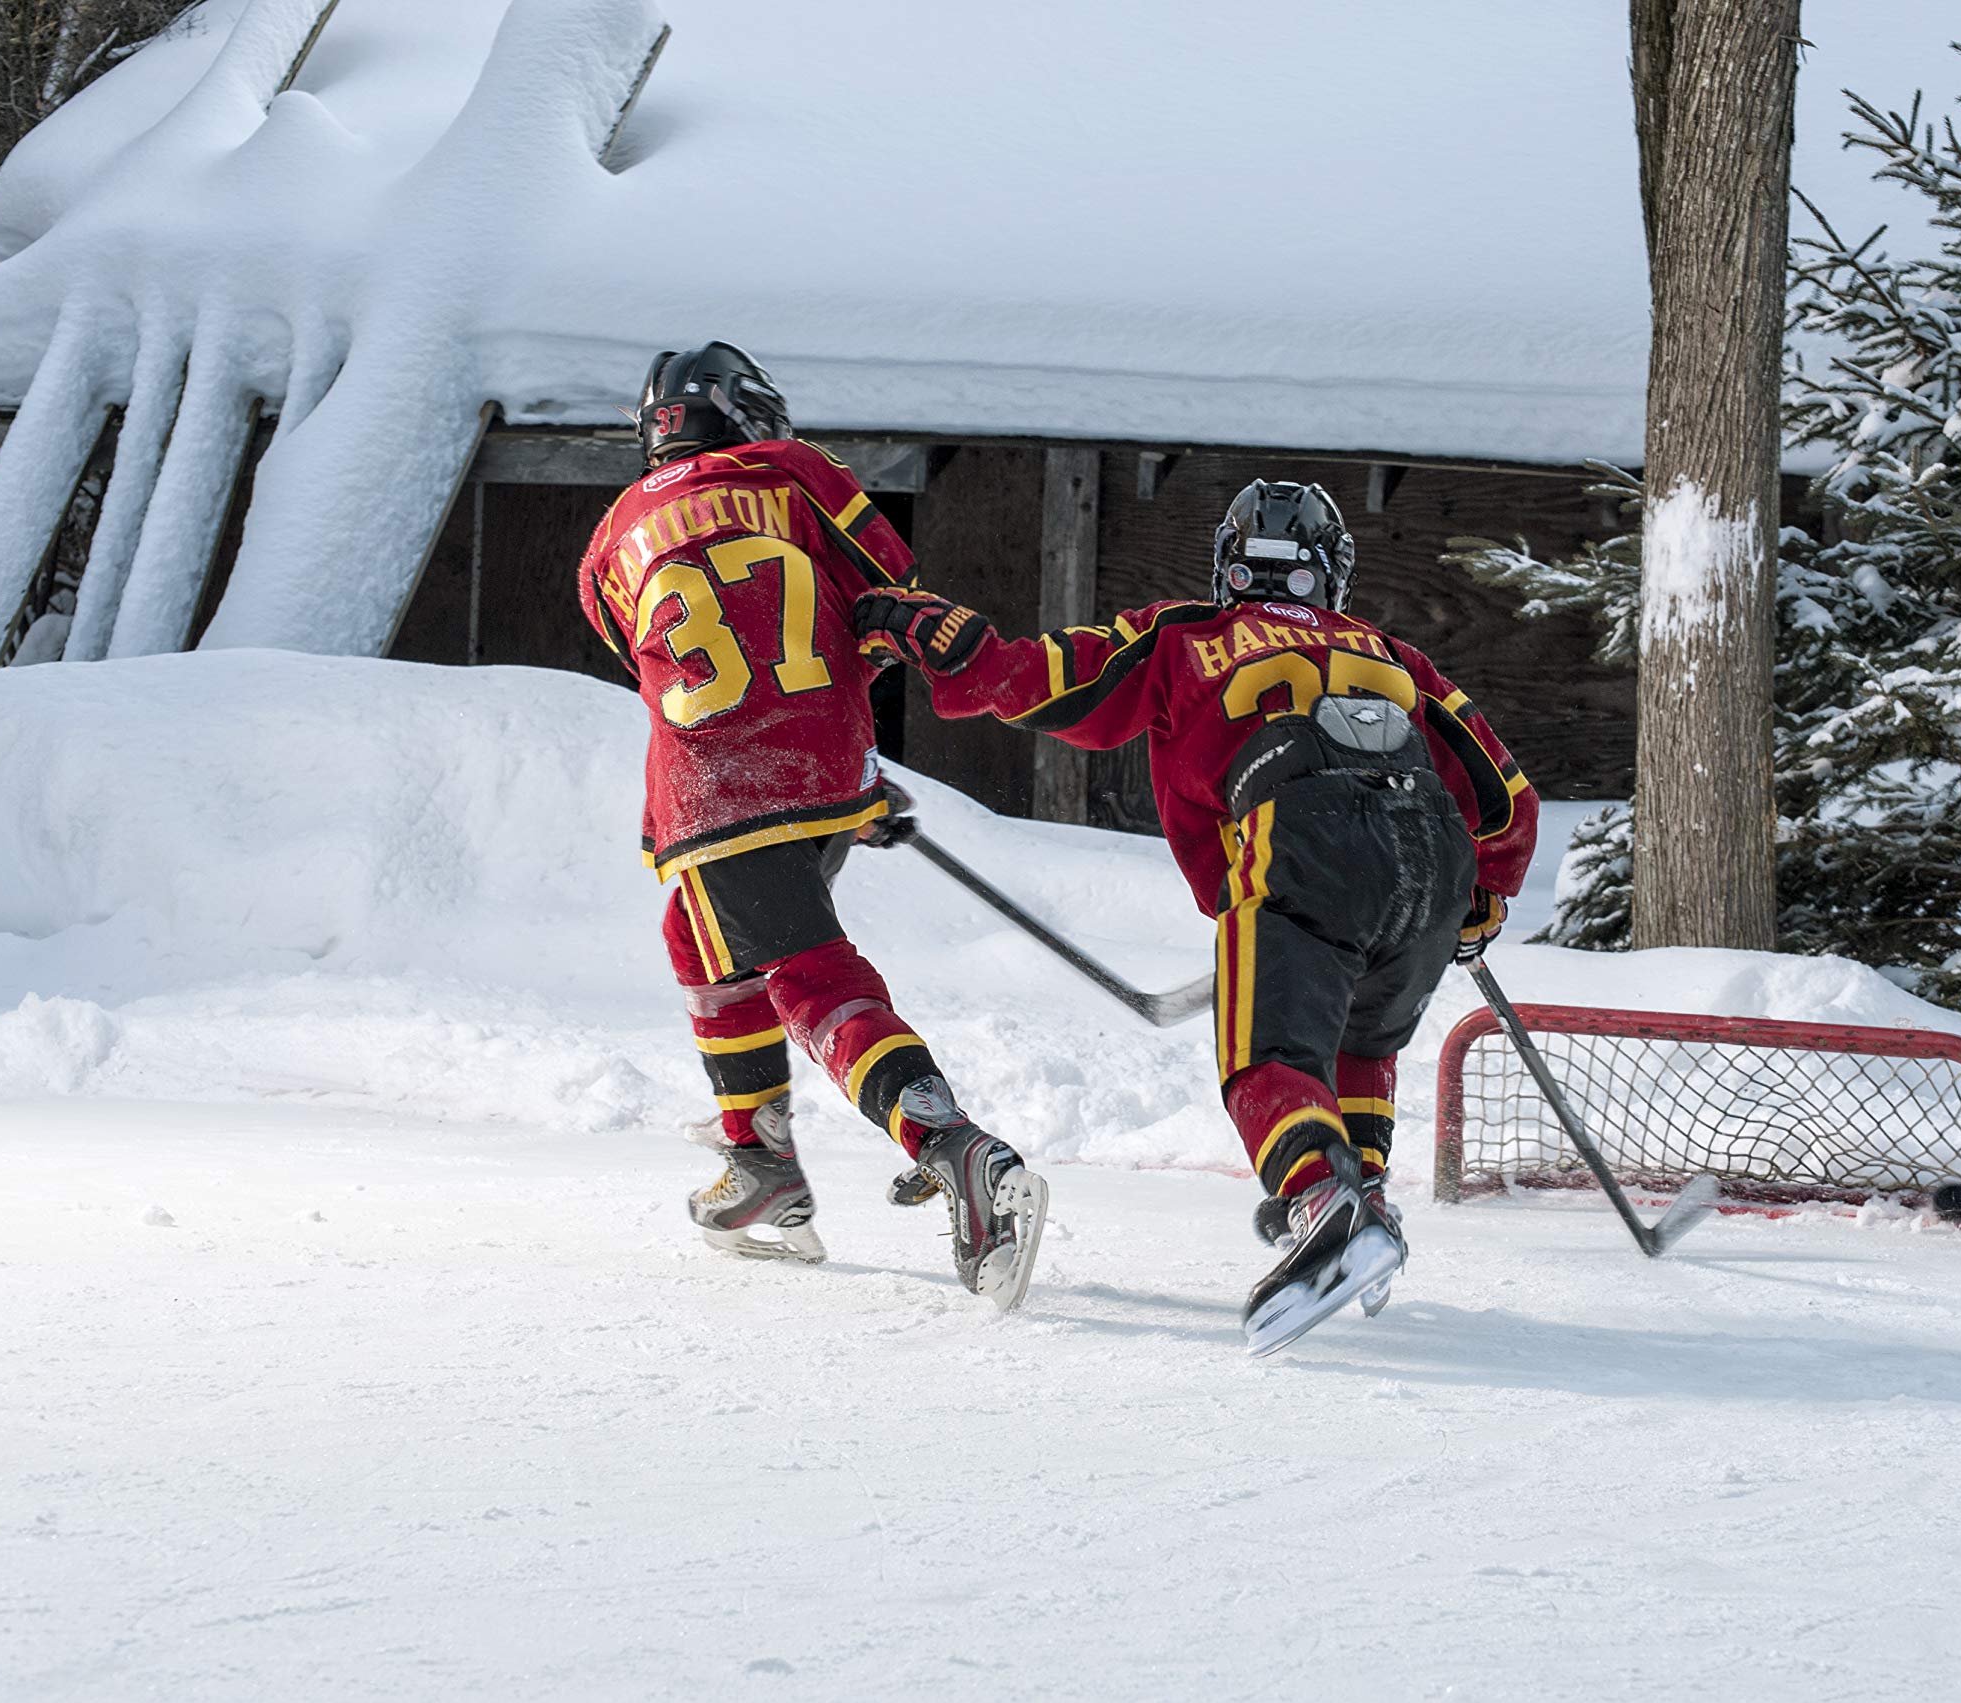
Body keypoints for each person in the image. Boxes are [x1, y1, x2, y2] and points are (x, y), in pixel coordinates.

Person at [854, 480, 1536, 1352]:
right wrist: (1484, 891)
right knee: (1359, 1038)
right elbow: (1507, 792)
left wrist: (940, 642)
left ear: (1229, 568)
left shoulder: (1183, 633)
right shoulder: (1392, 653)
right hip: (1431, 850)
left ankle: (1323, 1204)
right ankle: (1363, 1195)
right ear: (1331, 577)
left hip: (1294, 834)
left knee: (1268, 1058)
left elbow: (1037, 681)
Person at [574, 341, 1047, 1309]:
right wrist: (853, 768)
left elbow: (660, 659)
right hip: (817, 757)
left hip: (711, 780)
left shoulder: (609, 537)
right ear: (747, 414)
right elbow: (874, 596)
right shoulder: (800, 475)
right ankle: (761, 1164)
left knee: (799, 967)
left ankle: (956, 1150)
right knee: (699, 935)